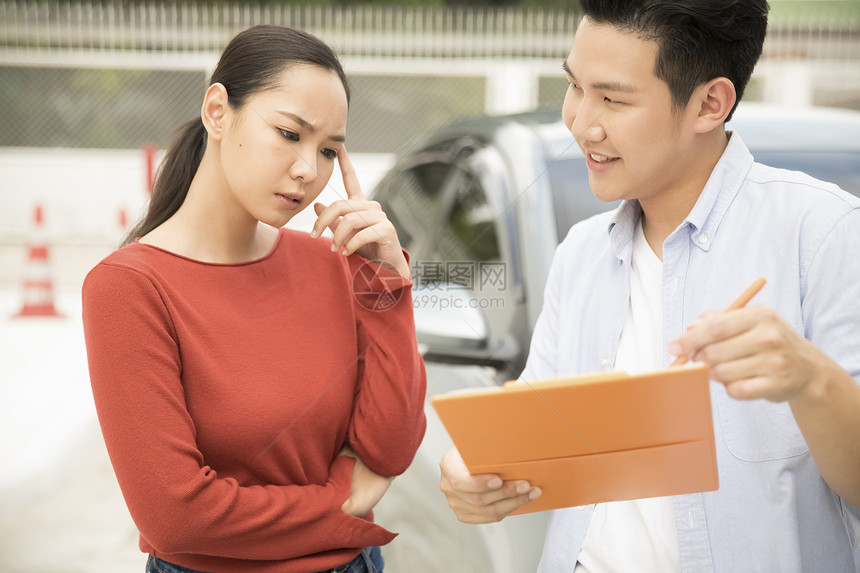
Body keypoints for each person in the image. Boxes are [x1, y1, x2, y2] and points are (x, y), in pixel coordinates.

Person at [439, 0, 860, 571]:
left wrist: (810, 380)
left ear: (710, 104)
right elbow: (531, 446)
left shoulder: (827, 234)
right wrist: (477, 477)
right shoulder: (582, 254)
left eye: (612, 98)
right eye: (574, 87)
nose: (582, 122)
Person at [82, 25, 426, 573]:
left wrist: (386, 279)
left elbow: (390, 448)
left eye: (329, 150)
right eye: (290, 134)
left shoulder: (332, 263)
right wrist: (344, 500)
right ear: (217, 111)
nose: (308, 171)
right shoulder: (130, 287)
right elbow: (175, 517)